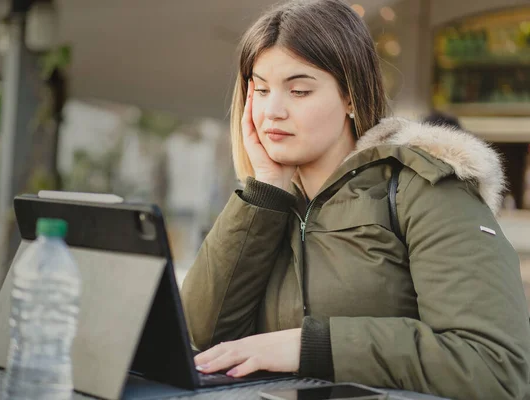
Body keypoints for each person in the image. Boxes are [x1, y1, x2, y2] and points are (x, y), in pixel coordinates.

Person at [180, 1, 530, 399]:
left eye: (299, 90)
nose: (271, 111)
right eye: (259, 90)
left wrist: (309, 346)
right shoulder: (267, 206)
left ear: (351, 96)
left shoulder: (425, 190)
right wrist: (264, 191)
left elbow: (496, 366)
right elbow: (201, 339)